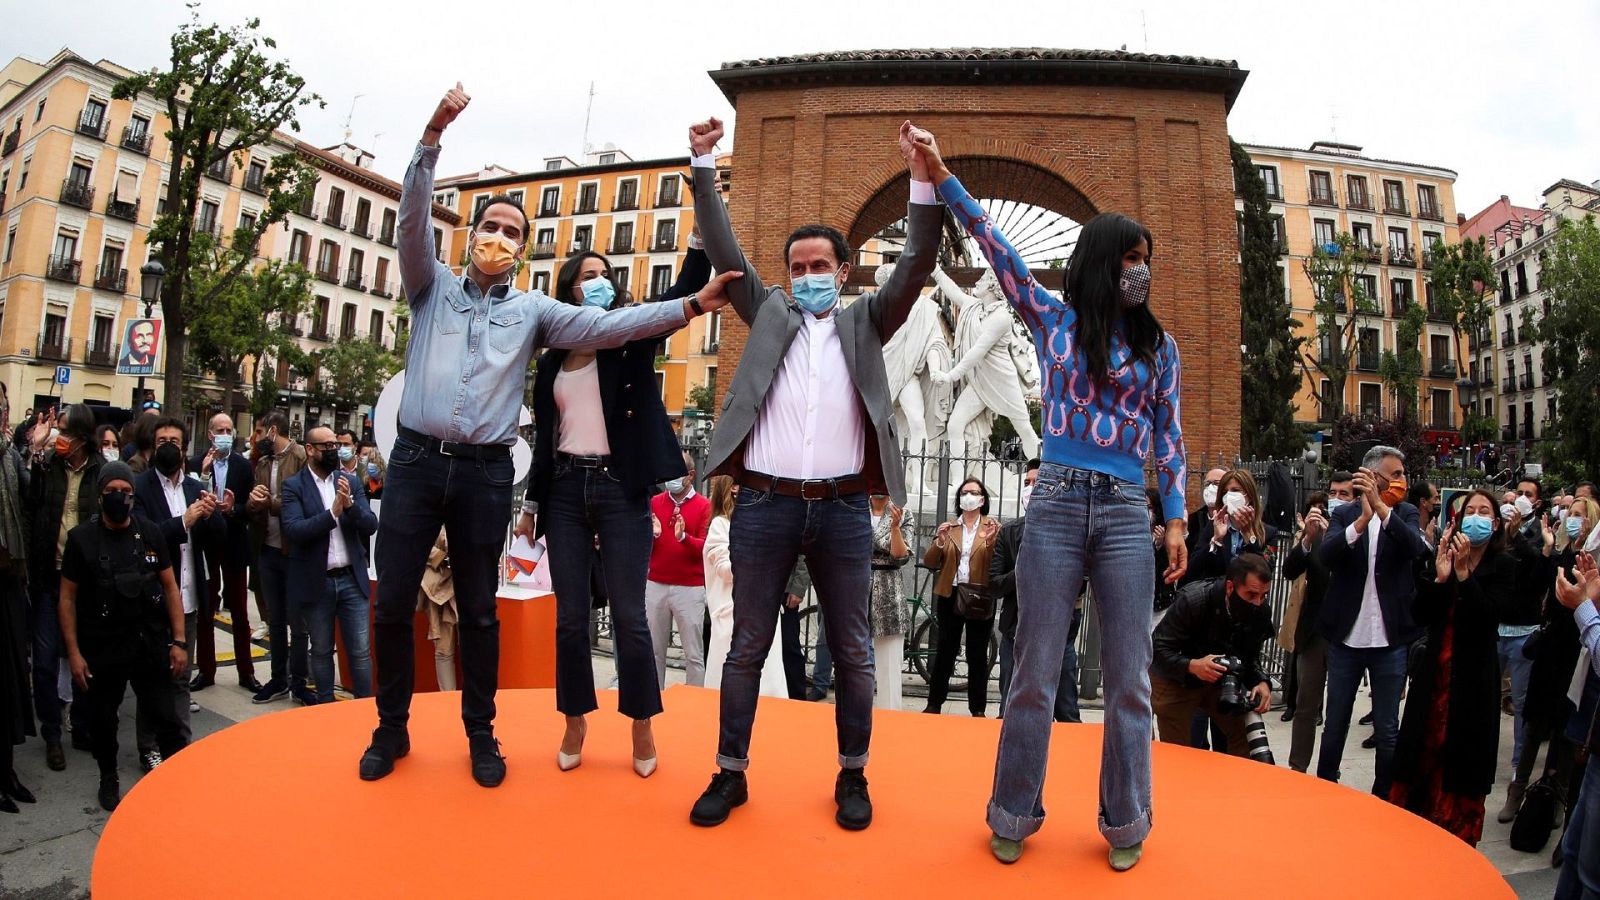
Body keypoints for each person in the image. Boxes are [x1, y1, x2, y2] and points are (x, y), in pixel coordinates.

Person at [361, 84, 729, 789]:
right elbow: (411, 219)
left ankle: (482, 736)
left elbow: (615, 325)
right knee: (394, 600)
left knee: (479, 610)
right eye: (489, 225)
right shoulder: (428, 286)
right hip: (415, 463)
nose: (497, 236)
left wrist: (687, 305)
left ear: (524, 249)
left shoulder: (537, 314)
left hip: (498, 475)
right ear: (472, 236)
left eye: (511, 231)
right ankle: (391, 729)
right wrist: (431, 138)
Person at [911, 131, 1188, 871]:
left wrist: (1179, 516)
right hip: (1059, 502)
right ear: (1102, 264)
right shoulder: (1053, 322)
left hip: (1130, 510)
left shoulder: (1161, 351)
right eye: (1130, 259)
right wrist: (942, 177)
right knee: (1033, 667)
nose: (1142, 271)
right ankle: (1012, 811)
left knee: (1128, 675)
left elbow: (1172, 437)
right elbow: (994, 242)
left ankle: (1127, 821)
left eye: (1146, 259)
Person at [684, 116, 941, 832]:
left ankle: (853, 776)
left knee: (853, 649)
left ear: (844, 271)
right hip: (763, 506)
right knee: (745, 646)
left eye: (819, 267)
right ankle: (729, 774)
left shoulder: (868, 322)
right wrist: (704, 164)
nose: (806, 278)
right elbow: (725, 247)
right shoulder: (766, 311)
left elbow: (918, 261)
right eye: (797, 268)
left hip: (840, 512)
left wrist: (922, 178)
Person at [519, 241, 712, 779]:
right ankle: (575, 718)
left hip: (619, 489)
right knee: (570, 618)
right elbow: (545, 438)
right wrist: (532, 501)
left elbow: (680, 297)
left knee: (629, 616)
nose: (598, 281)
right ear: (569, 291)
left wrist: (697, 245)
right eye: (586, 276)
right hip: (562, 490)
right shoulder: (554, 354)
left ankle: (642, 721)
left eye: (604, 274)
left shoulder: (628, 337)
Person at [1389, 490, 1517, 846]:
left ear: (1494, 524)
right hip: (1434, 675)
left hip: (1473, 681)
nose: (1474, 516)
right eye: (1468, 511)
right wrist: (1441, 578)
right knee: (1420, 754)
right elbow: (1419, 616)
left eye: (1483, 512)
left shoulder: (1503, 565)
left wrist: (1465, 577)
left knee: (1460, 764)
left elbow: (1489, 618)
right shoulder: (1441, 557)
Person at [58, 461, 187, 811]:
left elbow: (171, 587)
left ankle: (180, 778)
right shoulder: (82, 540)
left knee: (166, 719)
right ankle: (109, 776)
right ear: (100, 496)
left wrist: (179, 641)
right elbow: (67, 598)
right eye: (112, 492)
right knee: (104, 721)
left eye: (126, 493)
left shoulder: (150, 533)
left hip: (148, 642)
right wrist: (74, 653)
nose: (120, 498)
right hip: (103, 646)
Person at [1316, 445, 1430, 797]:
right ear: (1374, 476)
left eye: (1403, 474)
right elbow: (1326, 555)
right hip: (1346, 641)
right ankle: (1324, 789)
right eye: (1395, 474)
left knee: (1387, 729)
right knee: (1335, 724)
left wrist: (1382, 510)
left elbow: (1419, 551)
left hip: (1389, 642)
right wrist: (1362, 520)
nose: (1402, 480)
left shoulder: (1406, 513)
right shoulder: (1344, 513)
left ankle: (1384, 796)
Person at [130, 417, 223, 769]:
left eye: (175, 440)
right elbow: (143, 537)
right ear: (154, 446)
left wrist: (214, 515)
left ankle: (181, 745)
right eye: (162, 439)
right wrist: (184, 521)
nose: (168, 445)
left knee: (182, 675)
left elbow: (216, 540)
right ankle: (149, 746)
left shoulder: (195, 486)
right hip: (154, 599)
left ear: (184, 449)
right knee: (153, 678)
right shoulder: (140, 487)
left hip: (189, 594)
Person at [1504, 496, 1596, 825]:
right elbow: (1537, 587)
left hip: (1579, 654)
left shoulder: (1593, 562)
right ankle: (1518, 789)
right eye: (1570, 514)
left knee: (1564, 729)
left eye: (1581, 516)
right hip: (1551, 650)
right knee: (1535, 722)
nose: (1573, 520)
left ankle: (1553, 793)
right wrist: (1546, 549)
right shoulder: (1558, 554)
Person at [23, 403, 102, 770]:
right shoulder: (47, 466)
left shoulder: (101, 472)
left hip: (85, 584)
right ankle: (52, 734)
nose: (60, 436)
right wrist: (36, 451)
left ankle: (83, 726)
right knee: (43, 661)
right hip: (48, 580)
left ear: (83, 438)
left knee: (84, 659)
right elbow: (29, 500)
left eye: (65, 431)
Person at [281, 425, 378, 705]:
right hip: (317, 582)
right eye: (327, 446)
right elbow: (294, 530)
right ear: (310, 450)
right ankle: (325, 707)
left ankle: (364, 707)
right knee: (322, 650)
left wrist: (350, 507)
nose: (334, 451)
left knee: (360, 651)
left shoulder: (349, 482)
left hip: (351, 580)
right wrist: (331, 514)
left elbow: (371, 525)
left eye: (336, 445)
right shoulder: (293, 486)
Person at [1150, 553, 1274, 756]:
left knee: (1245, 736)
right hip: (1176, 678)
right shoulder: (1193, 600)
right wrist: (1192, 665)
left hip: (1219, 680)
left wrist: (1261, 681)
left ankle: (1234, 785)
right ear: (1230, 587)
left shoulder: (1260, 611)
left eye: (1264, 596)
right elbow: (1158, 650)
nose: (1258, 602)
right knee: (1175, 754)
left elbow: (1251, 656)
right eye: (1251, 595)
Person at [993, 460, 1081, 722]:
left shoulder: (1072, 531)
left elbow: (1082, 581)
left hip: (1059, 634)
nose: (1030, 489)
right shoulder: (1009, 532)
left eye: (1037, 483)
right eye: (1027, 483)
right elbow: (995, 583)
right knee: (1010, 710)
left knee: (1066, 712)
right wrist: (1021, 568)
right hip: (1015, 633)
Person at [246, 410, 314, 707]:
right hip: (267, 549)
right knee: (274, 620)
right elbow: (255, 507)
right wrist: (252, 502)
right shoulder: (262, 463)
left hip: (294, 553)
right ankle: (278, 679)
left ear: (273, 431)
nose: (255, 438)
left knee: (297, 624)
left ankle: (299, 682)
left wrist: (270, 503)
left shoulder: (300, 458)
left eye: (259, 432)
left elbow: (305, 502)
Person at [189, 413, 261, 694]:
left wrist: (233, 510)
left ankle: (247, 672)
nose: (225, 434)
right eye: (220, 429)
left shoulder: (243, 467)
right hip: (206, 544)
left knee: (240, 612)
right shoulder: (196, 464)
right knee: (206, 609)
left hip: (233, 543)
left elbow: (249, 509)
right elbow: (190, 501)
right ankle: (206, 671)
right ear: (209, 434)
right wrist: (205, 477)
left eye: (229, 429)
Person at [921, 477, 1001, 716]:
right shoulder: (950, 527)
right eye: (964, 492)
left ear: (982, 499)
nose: (968, 496)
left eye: (973, 492)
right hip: (951, 593)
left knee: (977, 653)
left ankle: (977, 709)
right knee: (946, 649)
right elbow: (930, 562)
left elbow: (997, 563)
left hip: (978, 594)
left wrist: (991, 543)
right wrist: (940, 542)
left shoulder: (991, 527)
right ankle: (934, 703)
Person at [703, 477, 787, 697]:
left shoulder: (762, 524)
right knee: (730, 690)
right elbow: (724, 568)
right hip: (732, 618)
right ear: (734, 488)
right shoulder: (720, 525)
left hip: (765, 612)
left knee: (770, 688)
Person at [1282, 486, 1340, 773]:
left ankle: (1329, 770)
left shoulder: (1357, 534)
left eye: (1344, 494)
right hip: (1314, 632)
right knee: (1306, 704)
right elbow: (1289, 571)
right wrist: (1308, 538)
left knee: (1338, 711)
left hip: (1345, 633)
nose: (1336, 499)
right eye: (1334, 493)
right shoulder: (1313, 537)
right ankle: (1297, 767)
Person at [645, 454, 713, 689]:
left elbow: (706, 547)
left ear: (690, 476)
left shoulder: (704, 506)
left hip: (690, 588)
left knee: (693, 653)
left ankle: (694, 700)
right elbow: (642, 545)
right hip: (656, 584)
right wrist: (652, 535)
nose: (669, 479)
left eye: (675, 473)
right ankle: (653, 699)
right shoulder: (655, 502)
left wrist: (683, 538)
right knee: (653, 651)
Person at [0, 411, 33, 814]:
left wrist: (30, 455)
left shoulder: (9, 452)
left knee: (10, 678)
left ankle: (6, 770)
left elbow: (26, 492)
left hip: (9, 573)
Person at [1184, 468, 1279, 583]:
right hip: (1217, 596)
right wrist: (1216, 541)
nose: (1229, 495)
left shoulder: (1269, 532)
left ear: (1248, 495)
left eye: (1235, 490)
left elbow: (1266, 572)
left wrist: (1250, 537)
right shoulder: (1214, 526)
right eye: (1224, 492)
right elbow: (1193, 570)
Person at [867, 492, 912, 711]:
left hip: (889, 591)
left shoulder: (902, 513)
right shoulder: (854, 508)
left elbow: (901, 556)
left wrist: (895, 528)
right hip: (856, 588)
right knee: (852, 662)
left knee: (889, 666)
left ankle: (890, 717)